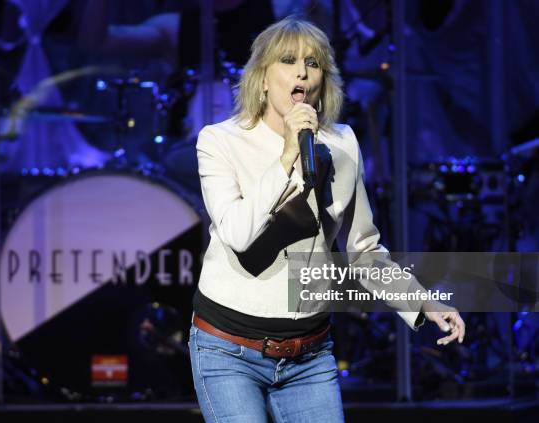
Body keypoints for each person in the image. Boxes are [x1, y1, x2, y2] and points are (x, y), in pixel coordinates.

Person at [189, 17, 466, 422]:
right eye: (288, 60)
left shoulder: (343, 144)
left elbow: (365, 252)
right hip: (228, 349)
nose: (302, 72)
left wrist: (421, 299)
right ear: (263, 78)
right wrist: (287, 157)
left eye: (313, 63)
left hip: (310, 355)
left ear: (322, 81)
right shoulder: (221, 141)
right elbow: (237, 233)